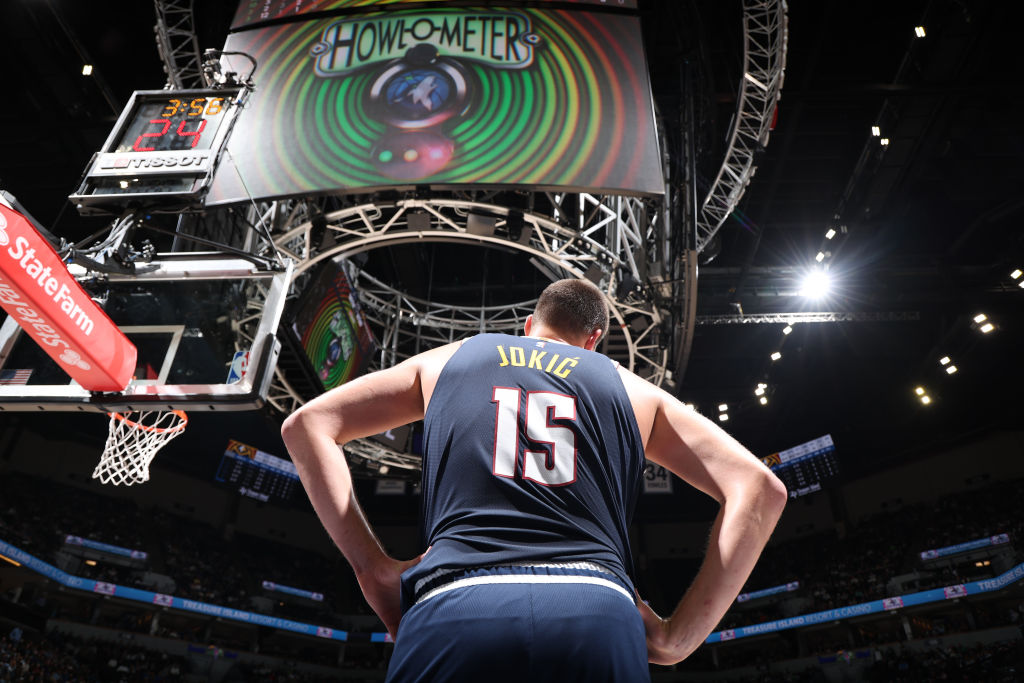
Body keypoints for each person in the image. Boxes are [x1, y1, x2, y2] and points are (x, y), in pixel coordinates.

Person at [282, 278, 787, 681]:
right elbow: (761, 489)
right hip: (596, 607)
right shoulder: (631, 389)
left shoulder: (454, 357)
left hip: (456, 599)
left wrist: (373, 569)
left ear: (528, 326)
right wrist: (678, 639)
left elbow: (307, 425)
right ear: (594, 340)